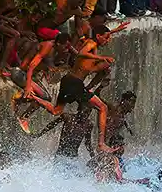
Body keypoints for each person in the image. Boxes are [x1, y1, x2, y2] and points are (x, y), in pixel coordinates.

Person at [27, 25, 127, 153]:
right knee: (103, 107)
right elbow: (81, 53)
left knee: (56, 110)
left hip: (68, 80)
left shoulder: (92, 42)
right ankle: (101, 144)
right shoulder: (90, 44)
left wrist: (115, 30)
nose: (108, 40)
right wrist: (101, 58)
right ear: (98, 36)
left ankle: (34, 97)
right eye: (106, 38)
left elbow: (98, 36)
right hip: (75, 83)